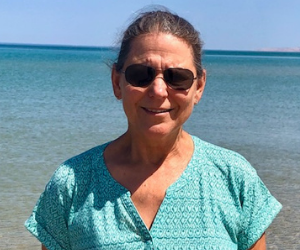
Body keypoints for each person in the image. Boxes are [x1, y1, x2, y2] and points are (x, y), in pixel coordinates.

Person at [25, 7, 281, 250]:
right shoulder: (72, 183)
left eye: (177, 77)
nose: (158, 91)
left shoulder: (234, 178)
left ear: (199, 87)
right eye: (140, 75)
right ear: (117, 82)